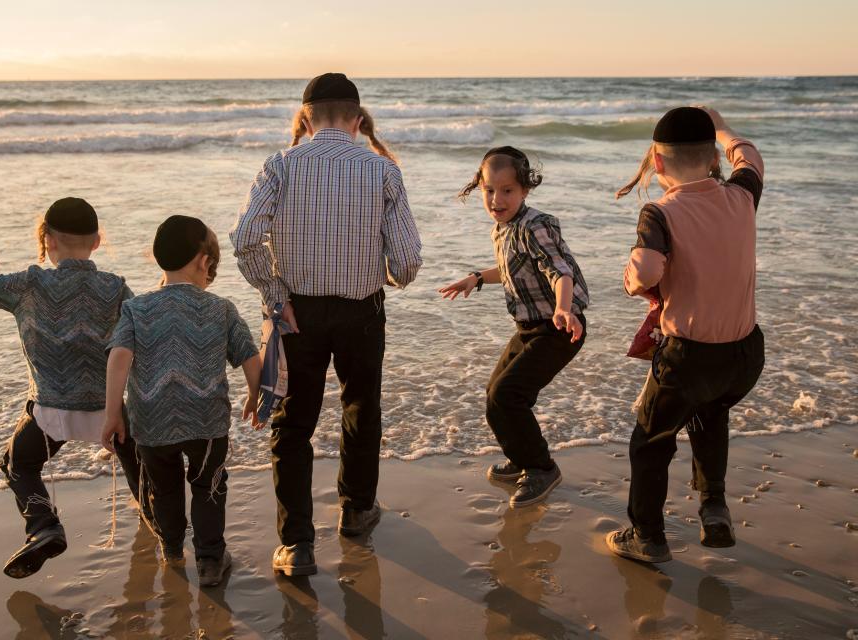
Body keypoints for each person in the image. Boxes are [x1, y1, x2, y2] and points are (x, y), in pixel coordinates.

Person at [230, 72, 423, 576]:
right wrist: (379, 272)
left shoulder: (280, 165)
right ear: (358, 120)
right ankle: (357, 512)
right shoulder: (382, 171)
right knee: (362, 409)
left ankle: (296, 544)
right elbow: (405, 264)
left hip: (297, 314)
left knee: (293, 424)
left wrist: (275, 296)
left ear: (304, 118)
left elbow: (246, 238)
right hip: (362, 312)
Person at [605, 106, 765, 563]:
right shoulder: (742, 197)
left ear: (657, 163)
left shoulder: (659, 212)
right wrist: (721, 124)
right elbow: (751, 159)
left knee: (650, 441)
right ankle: (713, 507)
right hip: (744, 355)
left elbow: (645, 274)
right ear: (714, 158)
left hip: (688, 358)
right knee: (710, 415)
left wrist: (631, 277)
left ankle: (647, 537)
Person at [0, 197, 146, 578]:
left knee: (17, 465)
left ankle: (43, 526)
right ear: (97, 241)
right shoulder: (115, 288)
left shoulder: (29, 283)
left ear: (47, 240)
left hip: (50, 411)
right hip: (109, 410)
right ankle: (162, 521)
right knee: (138, 466)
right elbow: (140, 332)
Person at [103, 215, 262, 586]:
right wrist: (257, 396)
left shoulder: (136, 309)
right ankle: (209, 559)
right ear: (204, 262)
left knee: (164, 488)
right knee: (209, 487)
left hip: (151, 422)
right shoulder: (221, 309)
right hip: (206, 422)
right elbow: (250, 359)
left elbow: (119, 358)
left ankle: (172, 548)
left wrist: (113, 414)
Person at [439, 146, 590, 507]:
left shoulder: (535, 225)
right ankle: (522, 458)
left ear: (525, 190)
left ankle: (541, 468)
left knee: (508, 396)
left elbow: (560, 271)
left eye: (507, 190)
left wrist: (564, 309)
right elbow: (510, 270)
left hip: (560, 328)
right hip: (530, 327)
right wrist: (477, 277)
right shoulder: (503, 228)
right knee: (496, 394)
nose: (496, 198)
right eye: (489, 190)